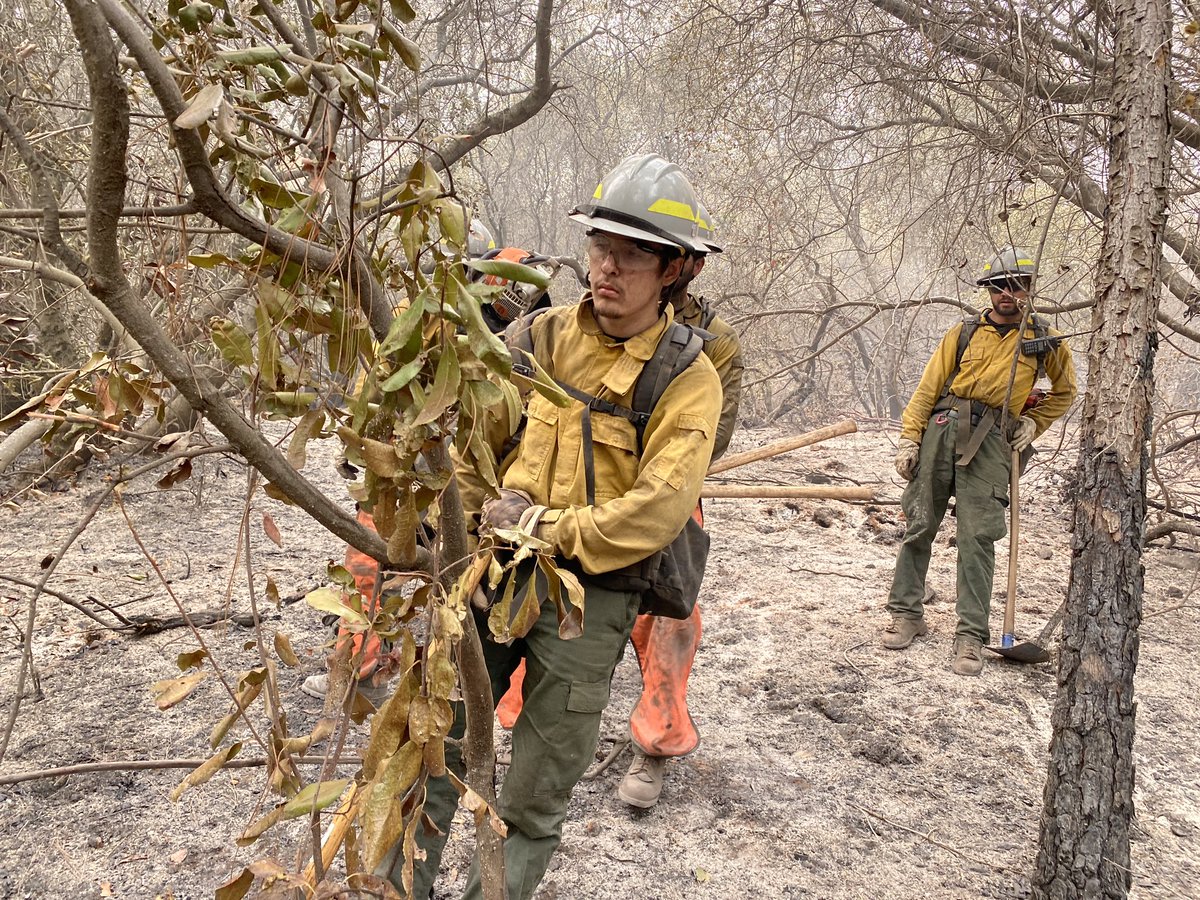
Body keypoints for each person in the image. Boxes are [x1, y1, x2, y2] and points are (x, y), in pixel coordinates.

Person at [375, 153, 722, 899]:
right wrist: (467, 531)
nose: (607, 267)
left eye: (632, 254)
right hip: (491, 577)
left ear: (674, 270)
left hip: (588, 607)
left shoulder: (686, 378)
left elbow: (658, 512)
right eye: (601, 246)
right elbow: (472, 440)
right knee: (430, 755)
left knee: (531, 801)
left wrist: (547, 528)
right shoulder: (538, 337)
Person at [882, 247, 1077, 675]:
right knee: (919, 524)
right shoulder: (964, 332)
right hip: (942, 427)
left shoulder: (1045, 340)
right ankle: (906, 614)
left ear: (1028, 289)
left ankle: (970, 637)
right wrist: (909, 440)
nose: (1007, 294)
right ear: (989, 290)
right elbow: (926, 389)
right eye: (999, 285)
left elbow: (1064, 392)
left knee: (977, 539)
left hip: (992, 442)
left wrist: (1033, 423)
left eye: (1017, 285)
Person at [618, 200, 744, 809]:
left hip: (668, 495)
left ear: (688, 265)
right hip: (578, 490)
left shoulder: (713, 346)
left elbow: (710, 436)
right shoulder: (592, 320)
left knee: (669, 620)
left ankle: (655, 747)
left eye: (682, 255)